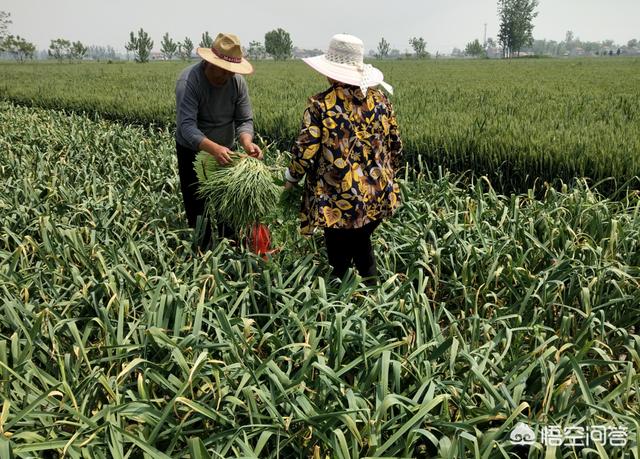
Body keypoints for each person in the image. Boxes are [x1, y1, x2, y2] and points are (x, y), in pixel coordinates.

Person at [284, 34, 403, 283]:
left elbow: (305, 151)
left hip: (338, 201)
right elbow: (396, 147)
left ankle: (343, 305)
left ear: (330, 71)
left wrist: (290, 179)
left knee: (340, 260)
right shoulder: (381, 101)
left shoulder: (321, 105)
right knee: (361, 246)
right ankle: (372, 301)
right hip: (379, 195)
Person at [175, 32, 262, 249]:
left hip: (227, 151)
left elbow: (244, 119)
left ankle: (230, 249)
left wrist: (246, 142)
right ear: (208, 63)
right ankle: (202, 252)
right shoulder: (189, 82)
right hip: (193, 151)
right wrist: (213, 148)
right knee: (197, 205)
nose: (226, 77)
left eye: (230, 72)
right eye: (222, 71)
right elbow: (186, 127)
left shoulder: (237, 83)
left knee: (228, 203)